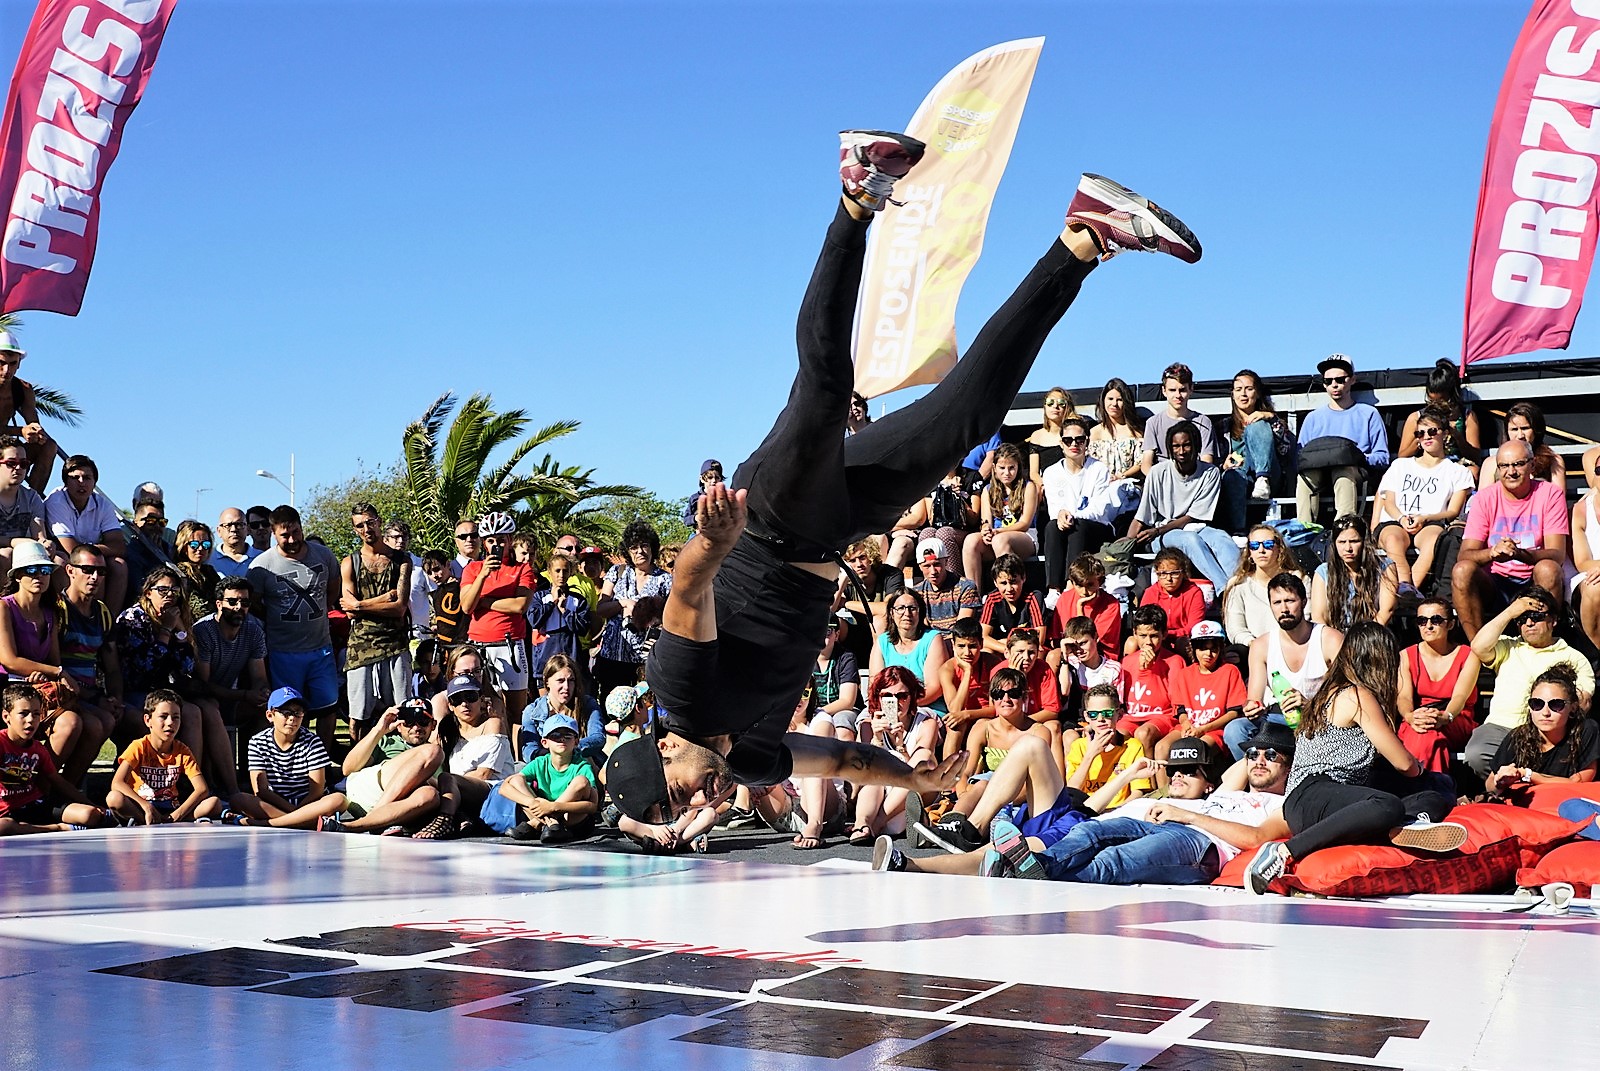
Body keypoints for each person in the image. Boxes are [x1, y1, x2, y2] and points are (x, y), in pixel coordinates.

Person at [602, 133, 1200, 828]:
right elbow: (843, 763)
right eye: (687, 807)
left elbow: (687, 588)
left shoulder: (678, 688)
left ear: (663, 747)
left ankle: (856, 197)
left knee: (824, 395)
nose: (702, 798)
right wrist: (912, 778)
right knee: (969, 416)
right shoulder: (751, 760)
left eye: (680, 791)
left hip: (768, 518)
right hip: (835, 528)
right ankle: (1085, 237)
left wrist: (712, 539)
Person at [1244, 624, 1466, 896]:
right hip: (1312, 795)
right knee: (1389, 802)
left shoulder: (1328, 692)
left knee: (1437, 786)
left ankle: (1411, 824)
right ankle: (1283, 851)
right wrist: (1420, 771)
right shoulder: (1356, 694)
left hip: (1337, 798)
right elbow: (1403, 764)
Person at [1465, 587, 1594, 779]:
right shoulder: (1508, 646)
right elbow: (1478, 646)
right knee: (1476, 754)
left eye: (1536, 616)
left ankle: (1532, 781)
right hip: (1502, 728)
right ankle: (1521, 783)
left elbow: (1583, 702)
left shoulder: (1573, 657)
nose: (1529, 622)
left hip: (1548, 732)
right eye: (1522, 618)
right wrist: (1510, 611)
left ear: (1554, 620)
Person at [1452, 438, 1569, 638]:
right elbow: (1465, 555)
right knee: (1462, 570)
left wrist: (1519, 554)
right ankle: (1481, 649)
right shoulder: (1484, 497)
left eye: (1518, 464)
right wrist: (1493, 552)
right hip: (1494, 581)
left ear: (1532, 464)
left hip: (1533, 578)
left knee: (1548, 568)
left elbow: (1557, 554)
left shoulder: (1550, 494)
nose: (1511, 471)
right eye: (1504, 466)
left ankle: (1540, 646)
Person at [0, 540, 95, 787]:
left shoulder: (50, 612)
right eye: (31, 570)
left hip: (37, 689)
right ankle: (27, 788)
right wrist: (55, 672)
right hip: (6, 688)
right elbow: (9, 660)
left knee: (90, 724)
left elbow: (53, 660)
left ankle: (48, 791)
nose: (39, 576)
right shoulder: (4, 607)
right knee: (72, 721)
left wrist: (49, 674)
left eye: (44, 570)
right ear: (18, 575)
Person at [246, 505, 342, 747]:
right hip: (283, 651)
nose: (291, 540)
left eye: (295, 532)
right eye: (284, 535)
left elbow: (333, 589)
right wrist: (278, 618)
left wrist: (315, 612)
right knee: (291, 711)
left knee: (328, 705)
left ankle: (323, 759)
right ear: (273, 533)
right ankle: (295, 760)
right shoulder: (262, 566)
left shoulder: (323, 555)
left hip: (320, 647)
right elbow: (255, 603)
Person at [1225, 572, 1344, 759]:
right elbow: (1254, 698)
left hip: (1319, 718)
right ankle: (1258, 781)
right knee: (1235, 729)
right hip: (1276, 718)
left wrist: (1309, 704)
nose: (1284, 609)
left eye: (1290, 600)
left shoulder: (1329, 639)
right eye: (1277, 603)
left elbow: (1345, 693)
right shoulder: (1261, 645)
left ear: (1304, 602)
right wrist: (1251, 707)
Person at [1127, 420, 1239, 590]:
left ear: (1196, 446)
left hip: (1196, 527)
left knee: (1222, 539)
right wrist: (1126, 546)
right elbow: (1141, 517)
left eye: (1186, 445)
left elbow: (1193, 517)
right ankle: (1224, 589)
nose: (1181, 451)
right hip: (1164, 534)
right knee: (1189, 540)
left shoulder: (1211, 473)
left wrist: (1157, 530)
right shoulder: (1157, 472)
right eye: (1176, 446)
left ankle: (1241, 586)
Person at [1374, 406, 1474, 590]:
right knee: (1394, 540)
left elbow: (1452, 512)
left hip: (1430, 523)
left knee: (1434, 539)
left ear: (1445, 434)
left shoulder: (1458, 471)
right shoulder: (1400, 465)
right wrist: (1401, 518)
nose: (1426, 436)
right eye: (1420, 433)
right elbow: (1388, 502)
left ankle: (1411, 590)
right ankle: (1405, 586)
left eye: (1432, 431)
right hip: (1396, 521)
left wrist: (1425, 518)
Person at [318, 697, 445, 835]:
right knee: (432, 751)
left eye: (423, 721)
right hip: (372, 791)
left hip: (400, 806)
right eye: (409, 721)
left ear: (433, 725)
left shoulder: (439, 759)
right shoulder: (386, 742)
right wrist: (379, 729)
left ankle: (355, 826)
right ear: (399, 725)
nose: (416, 727)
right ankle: (376, 815)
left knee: (430, 795)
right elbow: (347, 768)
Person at [848, 666, 943, 846]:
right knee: (874, 778)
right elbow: (860, 776)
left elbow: (920, 770)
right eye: (887, 696)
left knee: (924, 755)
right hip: (882, 791)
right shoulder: (868, 725)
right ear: (878, 698)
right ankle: (862, 824)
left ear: (912, 696)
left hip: (917, 789)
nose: (896, 702)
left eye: (902, 696)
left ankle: (877, 823)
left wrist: (901, 747)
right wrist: (876, 741)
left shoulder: (927, 723)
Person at [340, 503, 413, 735]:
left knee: (402, 712)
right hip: (361, 646)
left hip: (395, 643)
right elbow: (349, 612)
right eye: (360, 525)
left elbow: (399, 608)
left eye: (370, 522)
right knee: (358, 716)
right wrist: (383, 598)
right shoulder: (350, 562)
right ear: (355, 530)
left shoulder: (401, 561)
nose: (366, 528)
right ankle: (357, 764)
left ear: (379, 522)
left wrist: (362, 604)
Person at [1295, 353, 1390, 526]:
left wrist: (1359, 457)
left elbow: (1382, 456)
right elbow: (1300, 457)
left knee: (1342, 472)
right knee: (1305, 478)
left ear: (1352, 380)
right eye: (1328, 381)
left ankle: (1345, 529)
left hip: (1353, 472)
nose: (1334, 385)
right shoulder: (1313, 418)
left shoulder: (1369, 414)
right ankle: (1304, 531)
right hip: (1318, 473)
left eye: (1340, 379)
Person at [54, 544, 123, 783]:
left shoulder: (102, 613)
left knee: (120, 719)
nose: (95, 577)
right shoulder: (58, 609)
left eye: (101, 572)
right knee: (97, 725)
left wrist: (116, 699)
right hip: (62, 693)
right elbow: (55, 668)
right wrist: (97, 700)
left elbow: (112, 667)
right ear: (70, 571)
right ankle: (44, 787)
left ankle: (67, 788)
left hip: (91, 695)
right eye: (87, 570)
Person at [0, 682, 107, 835]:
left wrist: (93, 805)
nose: (31, 720)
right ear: (6, 717)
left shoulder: (38, 748)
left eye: (36, 714)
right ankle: (57, 828)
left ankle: (28, 828)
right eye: (23, 713)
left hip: (34, 804)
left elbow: (58, 781)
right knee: (4, 827)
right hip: (5, 811)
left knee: (89, 814)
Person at [104, 690, 225, 825]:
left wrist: (177, 814)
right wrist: (146, 806)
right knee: (114, 798)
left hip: (170, 808)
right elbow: (117, 783)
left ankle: (166, 821)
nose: (170, 723)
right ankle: (142, 819)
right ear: (147, 720)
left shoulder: (182, 750)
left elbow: (202, 789)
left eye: (176, 717)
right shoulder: (138, 747)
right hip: (141, 807)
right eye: (163, 716)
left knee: (213, 803)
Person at [458, 512, 534, 721]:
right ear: (484, 543)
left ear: (510, 540)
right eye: (491, 541)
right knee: (480, 707)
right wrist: (483, 575)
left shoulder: (522, 569)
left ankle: (517, 752)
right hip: (479, 644)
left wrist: (484, 602)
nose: (496, 545)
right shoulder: (473, 569)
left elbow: (519, 605)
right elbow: (466, 606)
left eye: (501, 540)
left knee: (515, 712)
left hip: (509, 643)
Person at [228, 686, 338, 828]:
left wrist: (300, 810)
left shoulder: (313, 741)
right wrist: (294, 813)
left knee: (338, 800)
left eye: (298, 713)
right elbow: (260, 790)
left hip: (309, 803)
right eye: (286, 713)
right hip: (276, 804)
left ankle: (271, 823)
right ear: (270, 715)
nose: (292, 718)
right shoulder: (257, 742)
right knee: (239, 799)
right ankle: (305, 823)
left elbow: (316, 791)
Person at [1482, 664, 1598, 798]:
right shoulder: (1518, 736)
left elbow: (1579, 783)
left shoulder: (1585, 731)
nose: (1545, 712)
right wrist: (1500, 781)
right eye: (1537, 704)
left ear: (1573, 707)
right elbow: (1490, 783)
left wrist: (1527, 775)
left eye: (1556, 704)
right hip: (1529, 811)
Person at [193, 575, 269, 776]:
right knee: (211, 707)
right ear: (219, 604)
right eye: (232, 602)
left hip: (231, 697)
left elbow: (259, 676)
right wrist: (245, 695)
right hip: (200, 699)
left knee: (266, 710)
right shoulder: (204, 630)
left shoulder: (253, 632)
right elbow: (203, 684)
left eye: (244, 602)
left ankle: (252, 774)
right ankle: (211, 780)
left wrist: (263, 694)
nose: (238, 607)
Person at [485, 712, 600, 843]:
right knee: (516, 779)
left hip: (572, 818)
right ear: (545, 742)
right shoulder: (540, 762)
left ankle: (536, 824)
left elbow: (592, 806)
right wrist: (532, 803)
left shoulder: (582, 765)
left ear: (576, 742)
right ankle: (550, 824)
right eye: (555, 736)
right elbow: (504, 788)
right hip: (541, 811)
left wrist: (553, 807)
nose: (562, 739)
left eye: (568, 736)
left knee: (581, 781)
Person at [1397, 597, 1480, 776]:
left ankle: (1421, 791)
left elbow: (1460, 697)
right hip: (1419, 717)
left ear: (1450, 624)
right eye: (1422, 621)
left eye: (1435, 620)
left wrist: (1445, 717)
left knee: (1424, 735)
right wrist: (1410, 716)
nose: (1428, 626)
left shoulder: (1468, 655)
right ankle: (1433, 790)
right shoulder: (1406, 655)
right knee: (1425, 734)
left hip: (1455, 718)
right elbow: (1403, 697)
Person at [1155, 619, 1247, 778]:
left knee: (1195, 749)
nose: (1208, 655)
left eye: (1213, 649)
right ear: (1193, 649)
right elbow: (1180, 708)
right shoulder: (1185, 674)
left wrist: (1203, 729)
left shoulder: (1229, 671)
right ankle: (1166, 792)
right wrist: (1186, 723)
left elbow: (1234, 712)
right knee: (1162, 747)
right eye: (1202, 649)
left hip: (1214, 729)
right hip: (1189, 726)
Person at [1039, 415, 1116, 604]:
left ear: (1087, 442)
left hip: (1097, 528)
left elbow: (1099, 509)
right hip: (1068, 524)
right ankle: (1053, 589)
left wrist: (1071, 515)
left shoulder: (1099, 469)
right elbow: (1055, 509)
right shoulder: (1051, 472)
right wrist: (1062, 515)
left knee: (1077, 526)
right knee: (1051, 526)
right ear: (1061, 443)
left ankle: (1070, 585)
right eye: (1068, 440)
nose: (1074, 444)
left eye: (1079, 440)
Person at [593, 519, 671, 697]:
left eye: (644, 545)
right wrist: (624, 603)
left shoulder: (665, 580)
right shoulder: (617, 572)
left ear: (652, 547)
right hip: (612, 657)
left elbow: (672, 617)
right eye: (634, 547)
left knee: (645, 711)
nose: (640, 551)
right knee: (611, 712)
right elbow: (601, 608)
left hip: (645, 661)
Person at [43, 453, 127, 610]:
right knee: (65, 563)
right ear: (66, 481)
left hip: (89, 557)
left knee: (119, 565)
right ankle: (68, 617)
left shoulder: (102, 504)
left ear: (94, 482)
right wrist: (97, 552)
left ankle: (108, 624)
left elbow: (119, 546)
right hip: (64, 555)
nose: (81, 483)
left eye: (87, 478)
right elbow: (70, 548)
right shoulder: (56, 500)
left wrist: (92, 551)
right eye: (75, 478)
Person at [1219, 369, 1291, 527]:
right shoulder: (1224, 427)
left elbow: (1286, 451)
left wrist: (1270, 418)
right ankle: (1238, 531)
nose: (1243, 394)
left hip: (1271, 478)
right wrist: (1224, 466)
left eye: (1249, 389)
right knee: (1231, 476)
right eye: (1238, 389)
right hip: (1241, 477)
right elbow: (1215, 463)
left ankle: (1262, 478)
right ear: (1232, 394)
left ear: (1258, 393)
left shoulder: (1270, 421)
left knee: (1256, 425)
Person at [962, 443, 1038, 591]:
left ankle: (1009, 590)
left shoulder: (1028, 487)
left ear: (1018, 467)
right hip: (997, 537)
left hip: (1025, 537)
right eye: (1002, 468)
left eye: (1011, 468)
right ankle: (974, 595)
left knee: (1000, 540)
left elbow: (1024, 523)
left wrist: (998, 532)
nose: (1007, 473)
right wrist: (986, 531)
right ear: (994, 468)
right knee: (971, 540)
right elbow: (986, 521)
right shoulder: (987, 490)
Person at [1117, 605, 1187, 756]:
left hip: (1161, 715)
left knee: (1143, 734)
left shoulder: (1174, 661)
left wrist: (1150, 670)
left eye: (1154, 636)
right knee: (1116, 736)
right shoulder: (1127, 661)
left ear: (1164, 634)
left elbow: (1175, 700)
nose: (1148, 642)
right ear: (1134, 634)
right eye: (1142, 636)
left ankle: (1149, 779)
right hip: (1133, 715)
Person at [1309, 515, 1399, 630]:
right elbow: (1319, 617)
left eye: (1354, 541)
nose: (1348, 548)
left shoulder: (1385, 566)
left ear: (1364, 542)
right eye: (1341, 542)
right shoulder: (1323, 571)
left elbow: (1387, 610)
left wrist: (1363, 640)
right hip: (1335, 637)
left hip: (1374, 634)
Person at [871, 588, 950, 718]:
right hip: (888, 707)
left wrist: (905, 706)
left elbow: (935, 688)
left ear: (920, 612)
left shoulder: (933, 639)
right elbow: (874, 683)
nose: (907, 613)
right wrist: (891, 708)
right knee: (865, 723)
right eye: (900, 608)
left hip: (926, 707)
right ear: (891, 613)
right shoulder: (882, 642)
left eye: (912, 608)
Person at [1220, 524, 1300, 648]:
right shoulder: (1238, 584)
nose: (1261, 550)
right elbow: (1235, 629)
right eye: (1254, 546)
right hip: (1253, 648)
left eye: (1268, 544)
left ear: (1279, 548)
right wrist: (1256, 645)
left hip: (1294, 644)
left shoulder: (1298, 579)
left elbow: (1307, 617)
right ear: (1249, 552)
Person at [516, 653, 603, 766]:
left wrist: (569, 749)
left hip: (582, 763)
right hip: (546, 765)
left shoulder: (588, 704)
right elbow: (529, 751)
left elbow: (598, 738)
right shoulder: (532, 711)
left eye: (571, 680)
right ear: (547, 682)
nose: (566, 687)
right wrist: (554, 755)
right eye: (560, 681)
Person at [1396, 359, 1485, 467]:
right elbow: (1402, 457)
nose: (1436, 405)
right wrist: (1421, 440)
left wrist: (1457, 437)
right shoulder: (1416, 418)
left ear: (1452, 395)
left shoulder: (1467, 417)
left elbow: (1475, 457)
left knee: (1473, 471)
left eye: (1441, 401)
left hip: (1456, 466)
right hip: (1425, 467)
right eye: (1431, 401)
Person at [0, 331, 57, 493]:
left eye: (12, 364)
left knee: (48, 446)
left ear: (19, 364)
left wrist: (34, 431)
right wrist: (20, 431)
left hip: (5, 449)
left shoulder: (23, 389)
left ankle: (32, 501)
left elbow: (33, 422)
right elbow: (22, 430)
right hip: (5, 448)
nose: (6, 370)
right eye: (1, 363)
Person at [1140, 362, 1218, 474]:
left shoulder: (1203, 422)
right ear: (1164, 391)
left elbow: (1207, 461)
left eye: (1182, 390)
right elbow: (1146, 463)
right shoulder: (1153, 423)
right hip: (1163, 480)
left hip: (1195, 480)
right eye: (1172, 390)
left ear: (1191, 389)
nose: (1178, 395)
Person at [528, 551, 591, 687]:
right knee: (545, 702)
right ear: (549, 572)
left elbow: (583, 628)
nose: (561, 575)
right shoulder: (539, 597)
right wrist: (552, 602)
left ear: (570, 572)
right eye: (557, 571)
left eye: (565, 571)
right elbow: (534, 621)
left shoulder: (577, 600)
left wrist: (565, 611)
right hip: (544, 657)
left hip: (571, 657)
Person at [1088, 376, 1145, 518]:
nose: (1114, 404)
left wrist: (1122, 476)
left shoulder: (1136, 431)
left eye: (1119, 400)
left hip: (1128, 488)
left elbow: (1141, 461)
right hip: (1100, 487)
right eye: (1110, 399)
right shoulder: (1093, 432)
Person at [1479, 401, 1566, 489]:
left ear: (1536, 430)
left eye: (1525, 428)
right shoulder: (1491, 463)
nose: (1520, 436)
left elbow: (1558, 496)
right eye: (1514, 429)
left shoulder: (1554, 460)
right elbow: (1484, 499)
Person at [1050, 553, 1121, 661]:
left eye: (1090, 585)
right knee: (1053, 656)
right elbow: (1055, 638)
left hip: (1099, 654)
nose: (1084, 592)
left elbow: (1085, 642)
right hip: (1069, 651)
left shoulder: (1111, 604)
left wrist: (1080, 607)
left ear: (1099, 582)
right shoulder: (1065, 598)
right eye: (1079, 585)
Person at [0, 434, 49, 576]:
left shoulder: (31, 497)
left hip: (24, 552)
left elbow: (39, 535)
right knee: (6, 555)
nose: (18, 468)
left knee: (59, 560)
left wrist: (45, 543)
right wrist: (14, 542)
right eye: (11, 463)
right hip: (8, 553)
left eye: (23, 464)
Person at [1137, 548, 1205, 651]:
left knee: (1182, 642)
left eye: (1174, 573)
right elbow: (1143, 623)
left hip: (1182, 638)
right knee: (1131, 642)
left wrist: (1167, 634)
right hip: (1155, 638)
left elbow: (1193, 626)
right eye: (1163, 573)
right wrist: (1159, 635)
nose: (1169, 579)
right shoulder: (1150, 592)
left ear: (1183, 572)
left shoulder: (1194, 592)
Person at [979, 553, 1046, 657]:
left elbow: (1040, 637)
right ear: (995, 583)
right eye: (1003, 583)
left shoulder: (1033, 597)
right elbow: (983, 637)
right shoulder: (992, 599)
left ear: (1023, 578)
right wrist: (1008, 649)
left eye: (1013, 582)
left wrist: (1016, 649)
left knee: (1039, 652)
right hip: (1005, 650)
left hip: (1028, 650)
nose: (1009, 589)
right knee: (986, 652)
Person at [913, 536, 981, 634]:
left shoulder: (965, 587)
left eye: (937, 564)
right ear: (919, 566)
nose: (933, 571)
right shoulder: (917, 593)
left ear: (946, 561)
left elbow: (961, 631)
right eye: (927, 566)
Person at [810, 613, 860, 736]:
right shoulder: (804, 658)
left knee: (842, 724)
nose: (821, 637)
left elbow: (847, 701)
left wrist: (818, 712)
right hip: (812, 710)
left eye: (827, 631)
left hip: (844, 710)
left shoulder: (846, 658)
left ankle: (847, 755)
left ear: (836, 635)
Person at [172, 519, 221, 625]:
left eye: (205, 544)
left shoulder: (209, 572)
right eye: (194, 545)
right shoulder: (178, 572)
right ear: (184, 546)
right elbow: (199, 609)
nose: (200, 549)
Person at [210, 507, 260, 580]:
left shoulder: (260, 558)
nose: (234, 529)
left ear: (248, 529)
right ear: (219, 531)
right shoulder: (208, 559)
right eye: (228, 526)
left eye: (239, 525)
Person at [682, 460, 725, 531]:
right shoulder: (694, 498)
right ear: (702, 479)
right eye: (710, 477)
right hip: (699, 533)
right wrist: (696, 518)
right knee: (690, 541)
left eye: (717, 477)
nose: (714, 480)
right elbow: (686, 519)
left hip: (719, 533)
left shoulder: (723, 498)